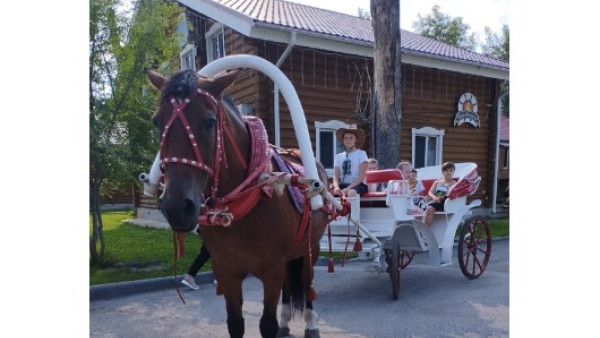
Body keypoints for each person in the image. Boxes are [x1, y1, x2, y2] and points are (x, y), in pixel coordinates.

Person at [332, 125, 369, 197]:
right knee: (329, 193)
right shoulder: (338, 156)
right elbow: (335, 177)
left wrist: (348, 189)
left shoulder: (361, 154)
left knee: (351, 193)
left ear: (356, 140)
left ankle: (352, 208)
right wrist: (336, 187)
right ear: (343, 140)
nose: (348, 140)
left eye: (351, 138)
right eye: (345, 138)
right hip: (343, 185)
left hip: (359, 185)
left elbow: (362, 176)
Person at [423, 162, 456, 226]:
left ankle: (425, 228)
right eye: (446, 170)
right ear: (442, 172)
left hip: (445, 202)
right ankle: (422, 227)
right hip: (435, 200)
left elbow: (450, 194)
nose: (449, 172)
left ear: (454, 172)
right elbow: (430, 192)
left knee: (429, 208)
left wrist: (441, 198)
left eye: (451, 170)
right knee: (426, 207)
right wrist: (434, 197)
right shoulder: (438, 181)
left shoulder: (454, 183)